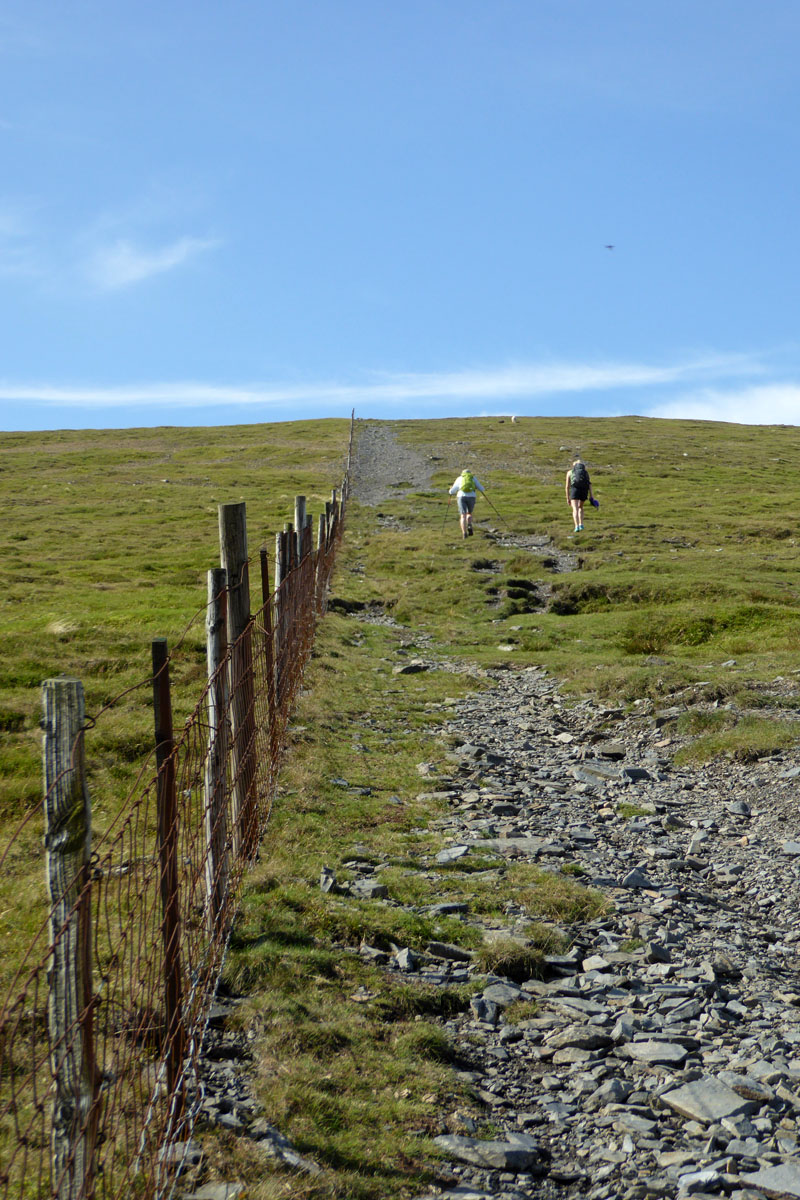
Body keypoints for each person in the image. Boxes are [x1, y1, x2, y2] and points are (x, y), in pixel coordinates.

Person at [449, 468, 485, 538]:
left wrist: (450, 491)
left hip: (461, 497)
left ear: (462, 473)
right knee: (469, 513)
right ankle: (469, 524)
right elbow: (482, 488)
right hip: (472, 496)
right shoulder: (473, 478)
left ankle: (464, 533)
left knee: (463, 515)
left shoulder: (459, 478)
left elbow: (452, 491)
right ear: (470, 473)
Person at [565, 456, 594, 532]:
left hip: (575, 490)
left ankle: (576, 526)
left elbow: (567, 486)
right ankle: (581, 524)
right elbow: (589, 484)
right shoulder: (585, 473)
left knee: (575, 509)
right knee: (580, 507)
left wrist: (568, 498)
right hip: (584, 491)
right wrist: (591, 496)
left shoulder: (570, 472)